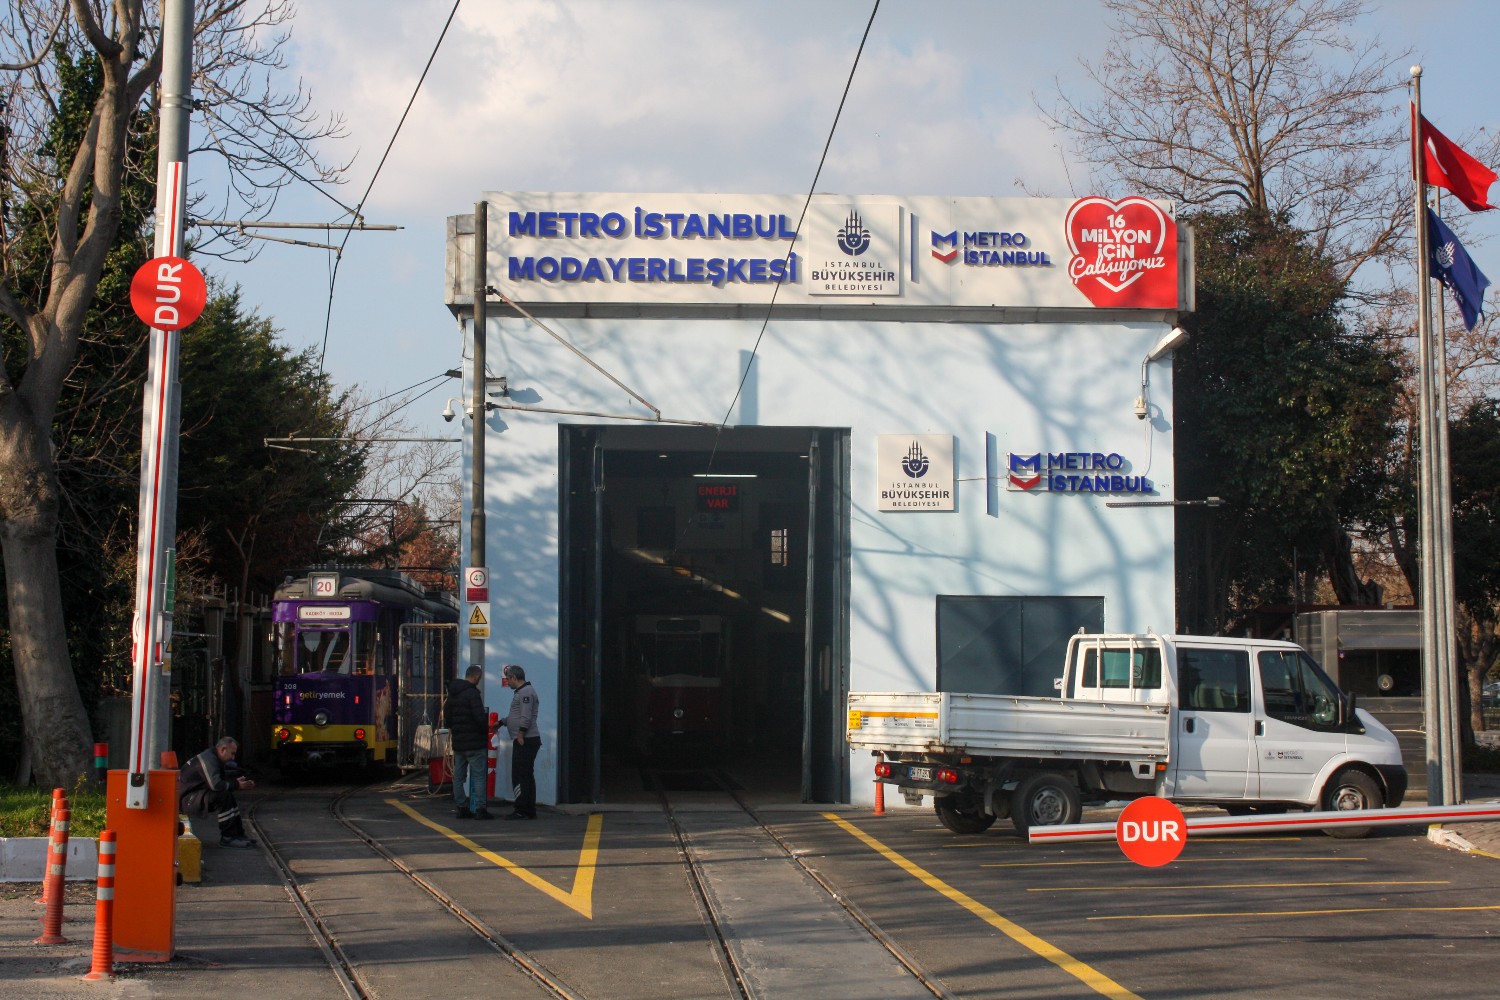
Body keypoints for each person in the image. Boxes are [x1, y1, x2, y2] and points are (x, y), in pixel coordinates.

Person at [179, 737, 257, 848]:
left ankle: (238, 834)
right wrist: (236, 784)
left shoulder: (212, 757)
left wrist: (235, 784)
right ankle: (228, 837)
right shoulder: (208, 759)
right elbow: (215, 785)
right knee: (222, 796)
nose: (233, 758)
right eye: (232, 753)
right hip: (187, 800)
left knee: (227, 794)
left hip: (195, 795)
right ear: (223, 750)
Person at [444, 664, 492, 820]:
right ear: (476, 677)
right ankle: (480, 809)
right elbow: (479, 717)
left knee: (458, 777)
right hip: (475, 743)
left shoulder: (452, 693)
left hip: (459, 742)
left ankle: (461, 807)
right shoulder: (472, 694)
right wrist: (485, 730)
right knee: (478, 776)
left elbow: (448, 719)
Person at [500, 664, 541, 820]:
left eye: (508, 679)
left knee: (520, 775)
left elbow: (526, 716)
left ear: (513, 677)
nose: (507, 682)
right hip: (527, 739)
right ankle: (528, 809)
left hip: (525, 740)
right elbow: (516, 715)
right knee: (526, 774)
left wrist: (521, 734)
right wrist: (503, 722)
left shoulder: (525, 693)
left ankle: (521, 809)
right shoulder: (523, 692)